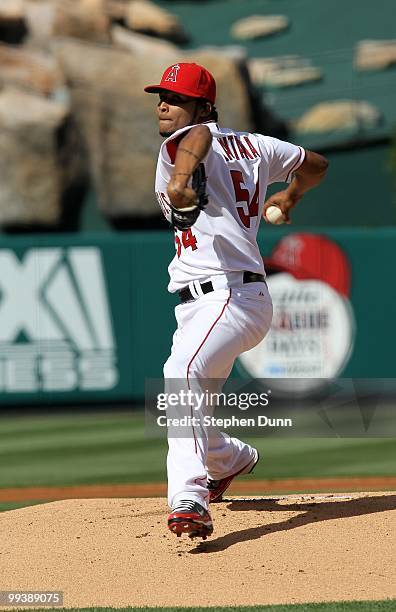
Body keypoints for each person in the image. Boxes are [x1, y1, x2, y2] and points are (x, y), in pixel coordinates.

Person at [144, 62, 328, 539]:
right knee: (193, 396)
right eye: (161, 96)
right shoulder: (259, 146)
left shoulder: (185, 141)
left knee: (180, 374)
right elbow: (316, 165)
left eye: (177, 98)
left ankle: (189, 496)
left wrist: (183, 177)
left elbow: (198, 140)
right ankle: (229, 458)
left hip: (226, 294)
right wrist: (290, 197)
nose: (165, 104)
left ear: (204, 106)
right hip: (214, 301)